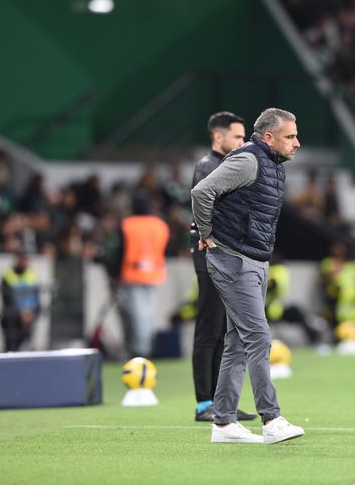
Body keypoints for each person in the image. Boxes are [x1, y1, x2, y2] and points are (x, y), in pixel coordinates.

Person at [191, 107, 305, 444]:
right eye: (290, 137)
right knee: (258, 337)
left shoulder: (270, 165)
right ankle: (271, 419)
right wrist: (208, 232)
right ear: (269, 137)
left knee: (238, 342)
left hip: (251, 260)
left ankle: (224, 423)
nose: (297, 143)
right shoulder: (248, 160)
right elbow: (201, 192)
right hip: (233, 260)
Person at [190, 111, 256, 422]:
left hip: (226, 258)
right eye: (238, 137)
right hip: (210, 259)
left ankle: (222, 403)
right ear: (219, 137)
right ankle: (204, 402)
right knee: (208, 330)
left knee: (223, 333)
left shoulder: (227, 165)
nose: (243, 143)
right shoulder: (208, 167)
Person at [115, 192, 170, 359]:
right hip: (154, 273)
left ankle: (140, 351)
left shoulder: (127, 225)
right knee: (149, 314)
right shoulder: (160, 225)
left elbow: (120, 251)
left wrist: (115, 272)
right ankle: (146, 348)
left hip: (133, 274)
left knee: (137, 315)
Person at [0, 251, 41, 352]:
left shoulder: (31, 274)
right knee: (11, 346)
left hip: (28, 316)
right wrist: (20, 313)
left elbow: (35, 297)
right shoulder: (7, 274)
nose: (24, 262)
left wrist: (29, 313)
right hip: (12, 317)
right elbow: (7, 298)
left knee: (25, 344)